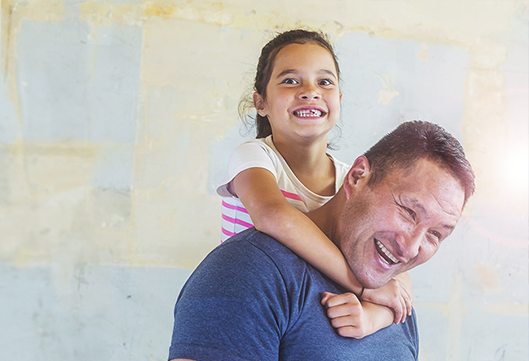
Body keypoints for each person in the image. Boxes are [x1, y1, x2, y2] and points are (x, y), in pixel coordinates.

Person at [169, 120, 476, 361]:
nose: (409, 248)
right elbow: (272, 213)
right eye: (408, 212)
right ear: (356, 177)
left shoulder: (393, 305)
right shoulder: (250, 272)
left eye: (435, 234)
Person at [217, 29, 411, 334]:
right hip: (245, 313)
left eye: (325, 81)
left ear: (339, 100)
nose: (310, 91)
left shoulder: (353, 181)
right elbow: (273, 216)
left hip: (307, 324)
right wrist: (361, 287)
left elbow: (397, 277)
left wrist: (370, 318)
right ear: (261, 102)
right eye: (290, 80)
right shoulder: (253, 158)